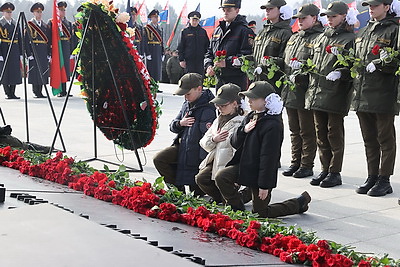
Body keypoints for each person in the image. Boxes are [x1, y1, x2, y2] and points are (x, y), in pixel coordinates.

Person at [214, 81, 311, 217]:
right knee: (221, 177)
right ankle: (237, 209)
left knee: (260, 213)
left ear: (266, 101)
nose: (249, 101)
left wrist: (264, 185)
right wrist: (243, 130)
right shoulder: (250, 116)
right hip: (245, 166)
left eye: (253, 98)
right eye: (248, 98)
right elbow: (234, 143)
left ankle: (299, 203)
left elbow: (269, 157)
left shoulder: (272, 124)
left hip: (261, 173)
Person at [352, 0, 399, 196]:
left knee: (385, 138)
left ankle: (384, 178)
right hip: (363, 93)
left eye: (376, 5)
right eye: (369, 5)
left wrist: (381, 64)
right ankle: (372, 175)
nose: (371, 8)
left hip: (383, 93)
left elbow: (397, 58)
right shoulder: (365, 31)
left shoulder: (394, 30)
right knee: (369, 138)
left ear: (387, 7)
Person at [306, 2, 355, 188]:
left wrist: (341, 72)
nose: (330, 19)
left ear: (343, 16)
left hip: (336, 94)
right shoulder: (321, 38)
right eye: (328, 16)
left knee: (334, 134)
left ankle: (335, 172)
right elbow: (312, 62)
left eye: (334, 16)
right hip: (317, 92)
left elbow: (353, 67)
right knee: (320, 134)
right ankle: (324, 168)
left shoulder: (349, 38)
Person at [153, 73, 216, 196]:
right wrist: (180, 123)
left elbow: (206, 140)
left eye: (188, 94)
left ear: (199, 89)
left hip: (197, 154)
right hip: (183, 147)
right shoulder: (187, 104)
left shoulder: (208, 108)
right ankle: (176, 190)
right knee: (159, 159)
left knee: (196, 193)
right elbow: (173, 126)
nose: (185, 97)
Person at [281, 4, 323, 178]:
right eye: (298, 18)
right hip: (290, 90)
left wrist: (303, 71)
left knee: (307, 131)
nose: (299, 21)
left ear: (314, 18)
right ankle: (295, 161)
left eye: (303, 18)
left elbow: (317, 65)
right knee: (294, 130)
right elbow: (285, 62)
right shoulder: (294, 38)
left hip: (305, 90)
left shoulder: (319, 38)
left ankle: (306, 164)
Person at [195, 83, 244, 204]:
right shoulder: (218, 119)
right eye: (217, 105)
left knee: (222, 179)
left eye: (223, 105)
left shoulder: (242, 121)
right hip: (216, 159)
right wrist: (214, 139)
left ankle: (234, 200)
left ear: (234, 104)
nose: (219, 108)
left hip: (230, 162)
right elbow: (203, 142)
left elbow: (237, 148)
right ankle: (221, 198)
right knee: (201, 179)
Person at [204, 0, 255, 91]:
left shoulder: (245, 31)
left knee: (235, 105)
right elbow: (209, 52)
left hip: (236, 79)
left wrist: (227, 62)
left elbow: (247, 56)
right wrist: (209, 65)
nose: (225, 13)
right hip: (219, 79)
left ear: (237, 10)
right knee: (219, 105)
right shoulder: (218, 30)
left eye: (229, 10)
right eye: (224, 10)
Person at [252, 0, 292, 95]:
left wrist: (266, 64)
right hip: (257, 81)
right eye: (266, 9)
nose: (267, 11)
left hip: (273, 84)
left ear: (281, 10)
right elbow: (254, 54)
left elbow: (285, 59)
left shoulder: (285, 33)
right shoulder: (262, 32)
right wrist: (243, 60)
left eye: (271, 8)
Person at [48, 1, 74, 97]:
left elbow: (71, 38)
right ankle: (59, 90)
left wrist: (71, 51)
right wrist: (49, 51)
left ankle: (65, 90)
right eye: (60, 10)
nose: (62, 12)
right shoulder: (52, 22)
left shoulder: (69, 23)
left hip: (66, 47)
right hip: (57, 48)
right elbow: (50, 37)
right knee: (59, 68)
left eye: (64, 10)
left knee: (66, 69)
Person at [26, 2, 50, 99]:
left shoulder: (45, 25)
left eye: (40, 12)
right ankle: (35, 91)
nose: (39, 14)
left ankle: (40, 90)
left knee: (43, 71)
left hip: (43, 51)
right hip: (34, 50)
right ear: (33, 13)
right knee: (35, 71)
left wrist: (49, 53)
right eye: (37, 12)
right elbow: (26, 40)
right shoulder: (30, 25)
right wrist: (28, 53)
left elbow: (48, 40)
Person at [0, 2, 21, 100]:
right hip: (4, 48)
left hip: (15, 49)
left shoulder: (15, 23)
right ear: (3, 13)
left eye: (10, 12)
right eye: (7, 12)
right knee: (5, 72)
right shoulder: (1, 23)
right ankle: (7, 92)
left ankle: (13, 92)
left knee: (14, 71)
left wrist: (21, 52)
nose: (9, 13)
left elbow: (19, 38)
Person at [177, 11, 209, 75]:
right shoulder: (185, 32)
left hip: (200, 61)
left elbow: (207, 46)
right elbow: (180, 47)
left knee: (200, 79)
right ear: (190, 20)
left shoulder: (203, 32)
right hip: (189, 61)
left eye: (196, 20)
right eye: (193, 20)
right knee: (190, 79)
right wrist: (181, 60)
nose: (194, 22)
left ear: (198, 21)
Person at [143, 9, 163, 82]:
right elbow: (145, 41)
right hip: (151, 49)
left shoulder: (159, 28)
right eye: (154, 17)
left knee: (157, 68)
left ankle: (156, 84)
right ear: (151, 18)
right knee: (151, 68)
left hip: (158, 49)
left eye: (157, 17)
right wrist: (147, 53)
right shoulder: (147, 28)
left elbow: (161, 41)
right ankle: (151, 84)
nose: (156, 19)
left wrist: (162, 52)